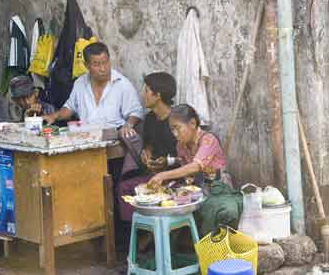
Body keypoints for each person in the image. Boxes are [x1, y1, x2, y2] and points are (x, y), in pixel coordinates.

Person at [147, 104, 243, 236]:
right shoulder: (180, 145)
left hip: (219, 190)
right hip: (198, 190)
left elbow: (195, 166)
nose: (175, 134)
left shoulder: (209, 140)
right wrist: (167, 162)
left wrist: (163, 175)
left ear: (192, 123)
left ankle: (211, 247)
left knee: (225, 211)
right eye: (172, 129)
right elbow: (184, 163)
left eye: (177, 128)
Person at [43, 42, 143, 138]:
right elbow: (70, 107)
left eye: (105, 62)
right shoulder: (80, 83)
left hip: (113, 137)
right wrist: (54, 116)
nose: (103, 69)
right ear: (86, 65)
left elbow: (136, 111)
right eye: (96, 64)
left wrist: (128, 125)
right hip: (85, 136)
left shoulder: (122, 84)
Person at [118, 72, 178, 222]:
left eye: (146, 91)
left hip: (176, 176)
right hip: (154, 174)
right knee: (124, 188)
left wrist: (167, 162)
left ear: (157, 95)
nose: (143, 95)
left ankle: (149, 235)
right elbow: (148, 146)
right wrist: (147, 155)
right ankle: (139, 230)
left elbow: (187, 157)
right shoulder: (150, 118)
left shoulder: (177, 120)